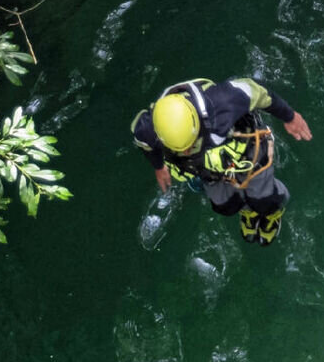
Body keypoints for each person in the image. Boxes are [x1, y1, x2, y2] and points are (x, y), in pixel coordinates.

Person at [130, 77, 312, 245]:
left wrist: (290, 117)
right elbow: (145, 144)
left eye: (189, 144)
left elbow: (257, 91)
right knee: (225, 205)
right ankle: (248, 210)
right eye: (180, 149)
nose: (185, 151)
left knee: (264, 199)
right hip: (206, 167)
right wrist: (159, 167)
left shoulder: (221, 104)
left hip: (246, 151)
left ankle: (271, 212)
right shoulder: (148, 129)